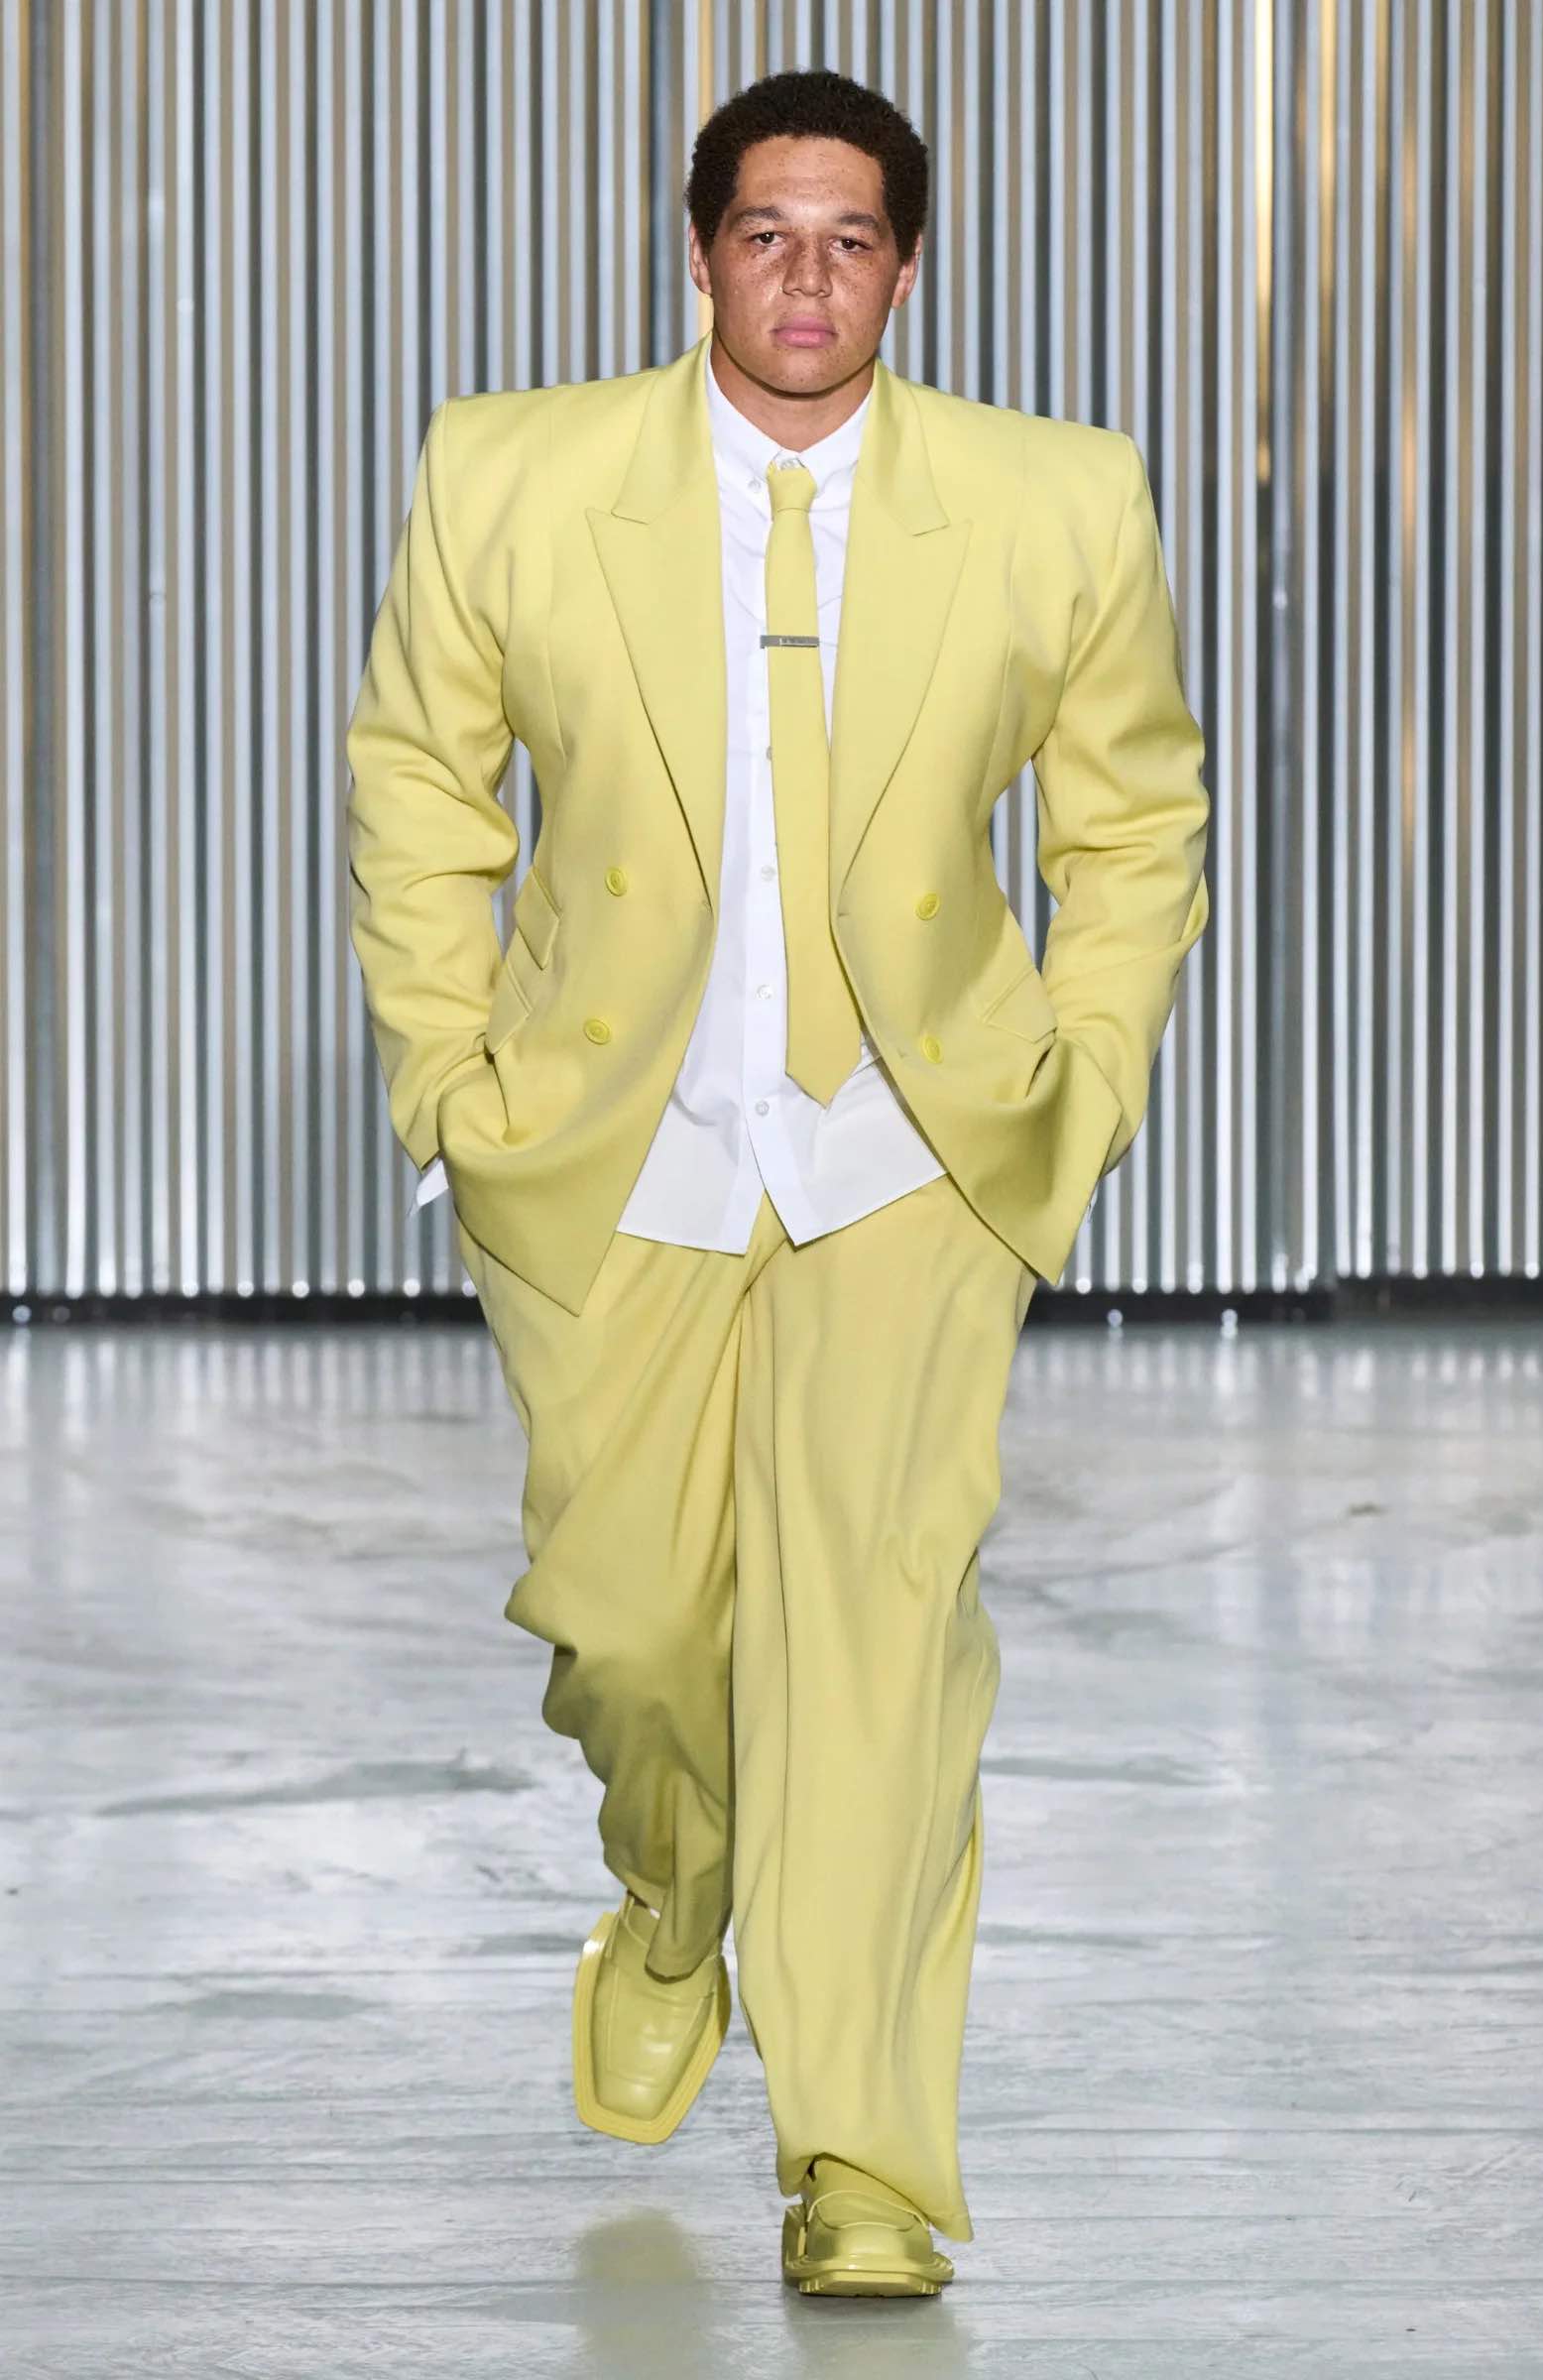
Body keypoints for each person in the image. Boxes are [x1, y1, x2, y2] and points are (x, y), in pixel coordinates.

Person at [345, 65, 1209, 2300]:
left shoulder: (1054, 502)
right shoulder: (511, 475)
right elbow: (420, 785)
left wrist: (1081, 1077)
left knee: (875, 1655)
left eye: (848, 239)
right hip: (611, 1148)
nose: (804, 278)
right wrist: (449, 1078)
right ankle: (674, 1886)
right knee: (632, 1630)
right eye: (764, 234)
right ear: (699, 252)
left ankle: (861, 2161)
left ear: (904, 268)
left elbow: (1132, 822)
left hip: (910, 1158)